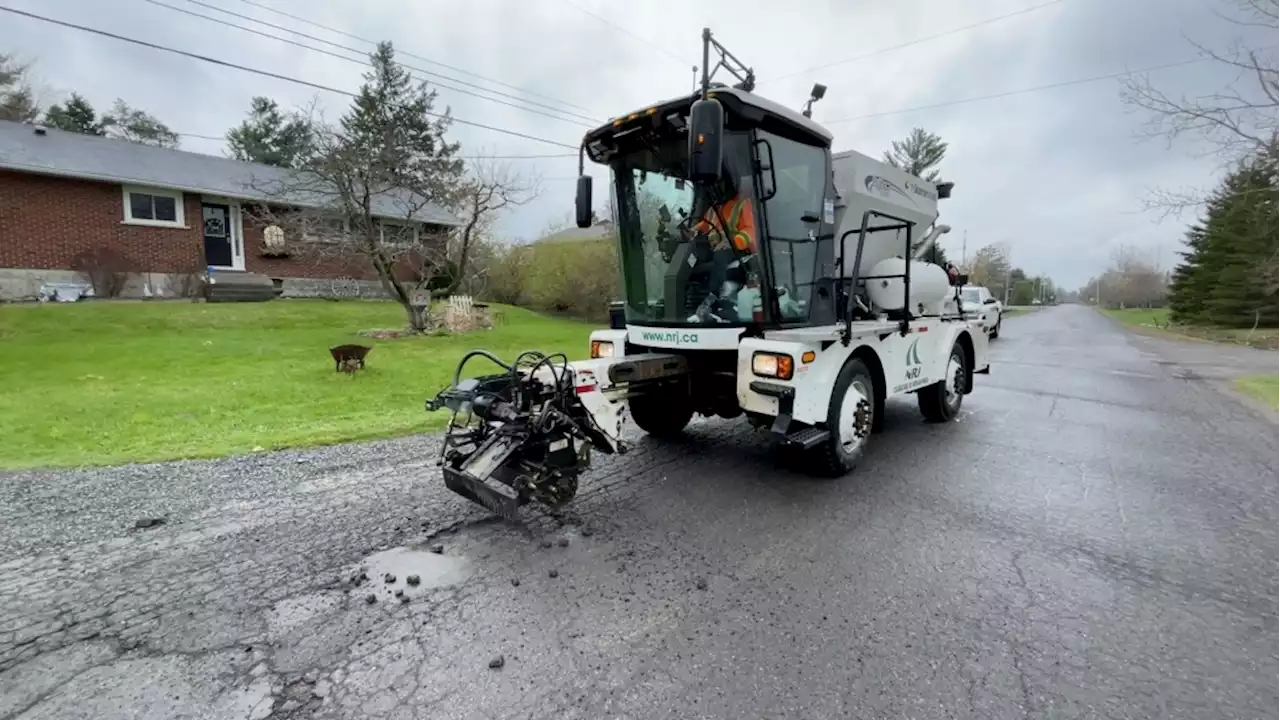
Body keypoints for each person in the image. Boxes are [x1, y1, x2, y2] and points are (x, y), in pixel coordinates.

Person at [687, 178, 759, 321]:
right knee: (691, 259)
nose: (716, 189)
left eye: (719, 185)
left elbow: (749, 233)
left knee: (720, 256)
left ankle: (713, 300)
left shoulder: (743, 205)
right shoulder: (714, 209)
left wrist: (732, 243)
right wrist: (692, 231)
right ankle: (690, 301)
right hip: (717, 249)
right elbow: (705, 225)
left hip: (739, 250)